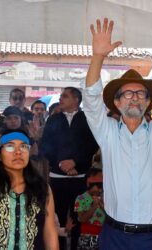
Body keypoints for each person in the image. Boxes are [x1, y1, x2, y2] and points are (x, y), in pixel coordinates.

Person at [82, 18, 152, 249]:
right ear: (116, 103)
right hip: (115, 235)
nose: (134, 97)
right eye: (127, 93)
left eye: (140, 93)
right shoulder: (108, 133)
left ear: (148, 102)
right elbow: (91, 102)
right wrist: (98, 57)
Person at [40, 87, 99, 250]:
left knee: (79, 217)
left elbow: (92, 145)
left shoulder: (87, 119)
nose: (61, 98)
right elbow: (45, 146)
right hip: (57, 177)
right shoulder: (53, 119)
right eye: (61, 96)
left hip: (80, 178)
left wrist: (75, 162)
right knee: (56, 217)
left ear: (76, 100)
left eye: (65, 96)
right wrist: (61, 164)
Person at [74, 168, 104, 250]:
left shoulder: (105, 198)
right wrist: (94, 206)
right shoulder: (81, 198)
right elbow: (82, 219)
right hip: (87, 237)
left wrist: (102, 205)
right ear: (88, 183)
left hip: (104, 236)